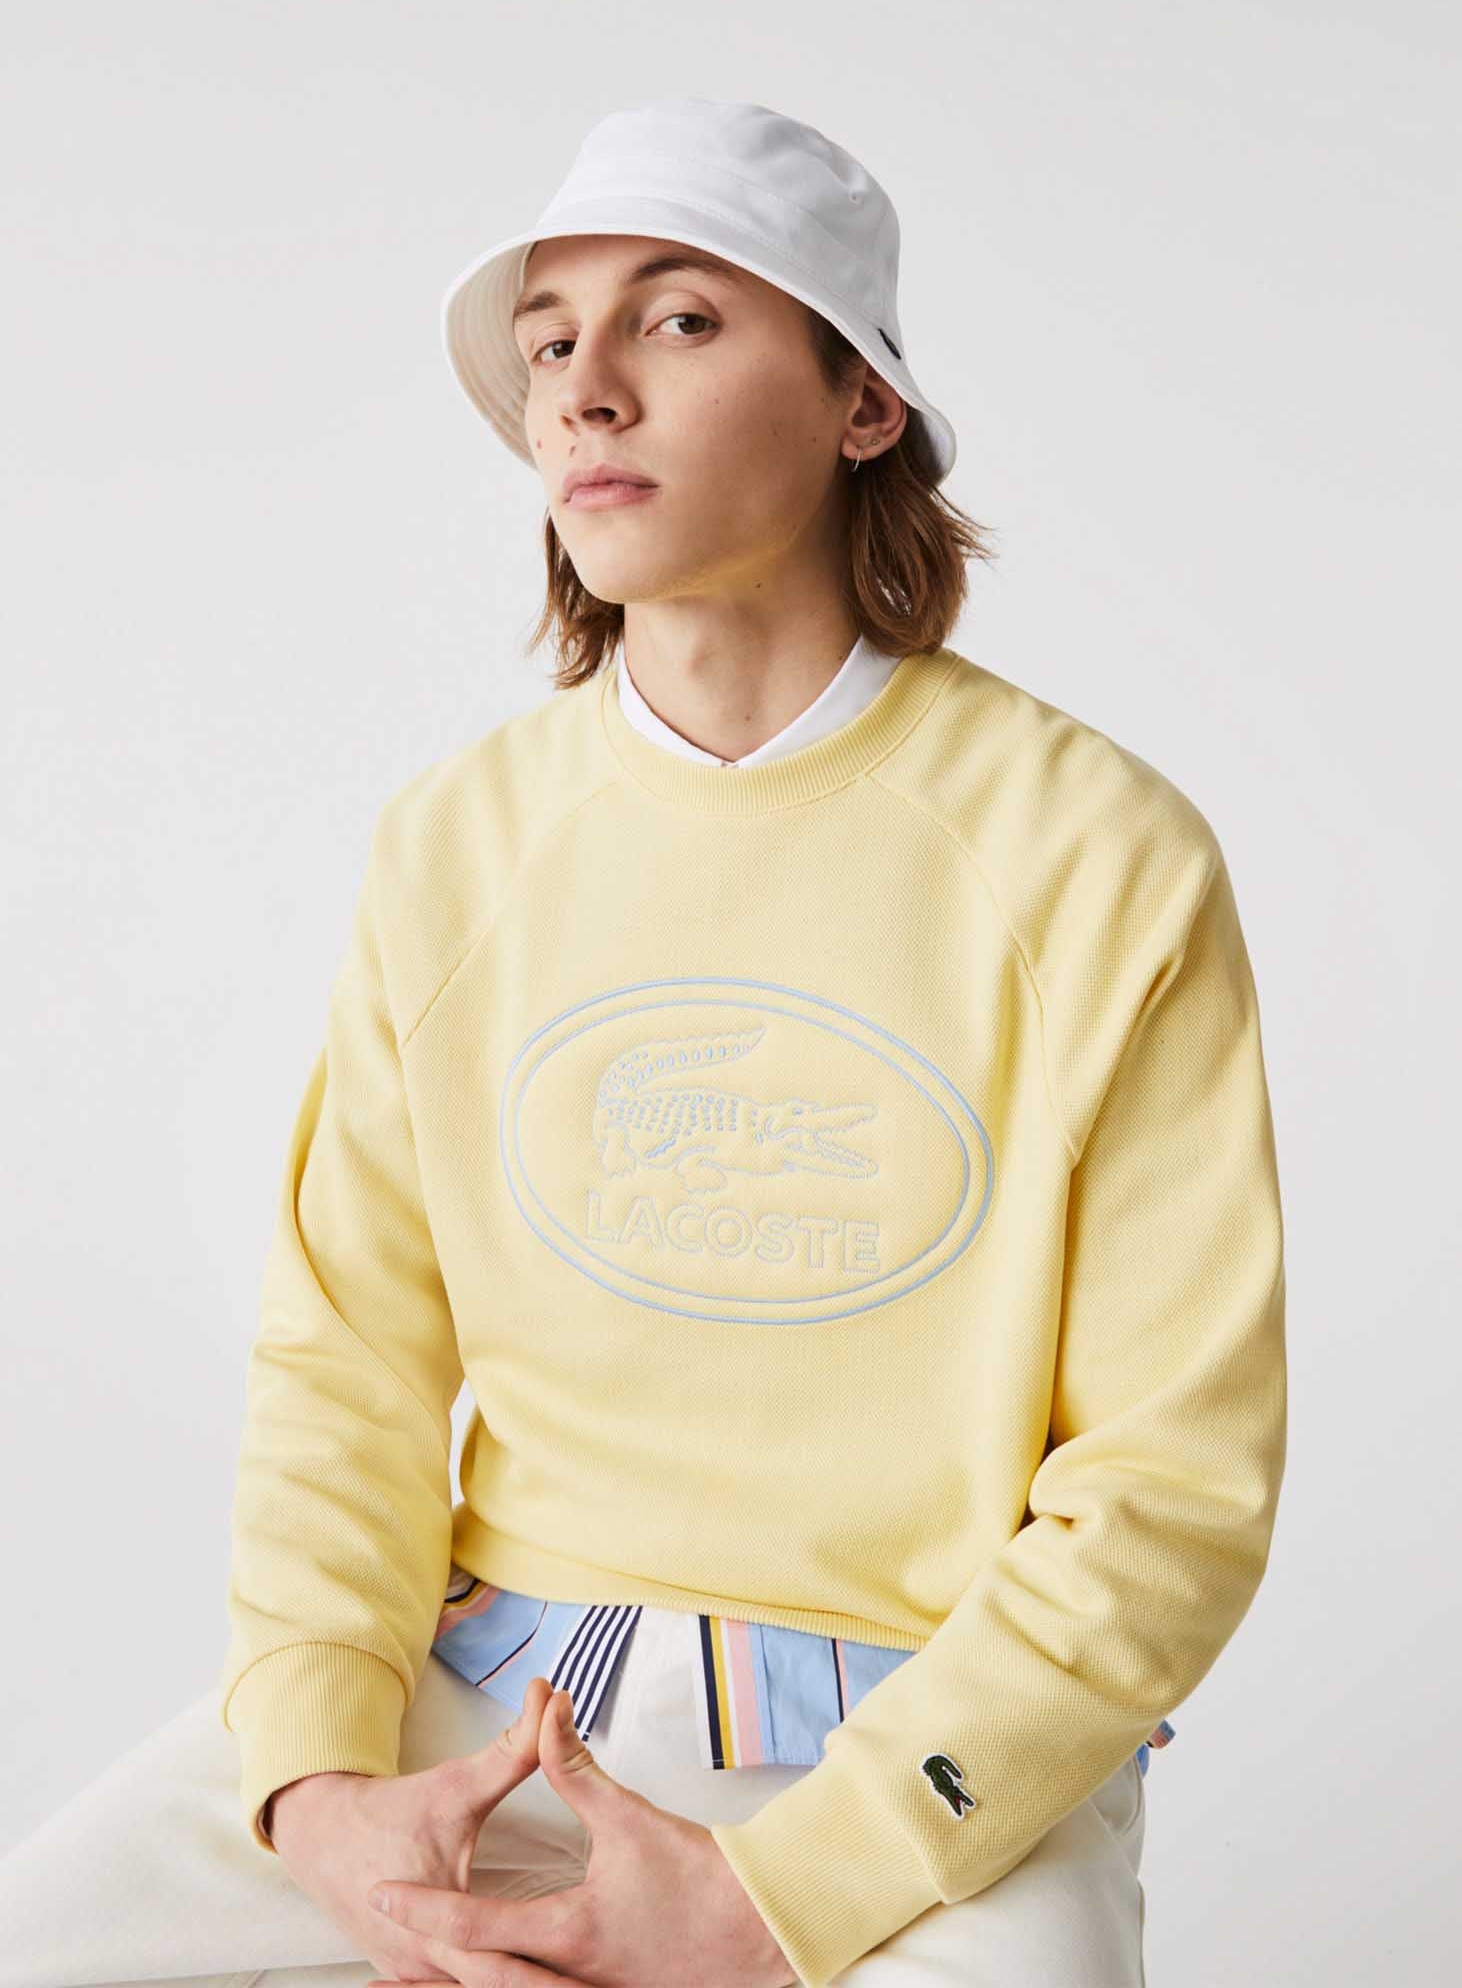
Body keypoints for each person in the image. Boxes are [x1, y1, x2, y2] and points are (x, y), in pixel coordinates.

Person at [0, 96, 1285, 1988]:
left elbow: (1171, 1488)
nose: (583, 391)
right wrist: (321, 1778)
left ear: (863, 404)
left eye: (678, 320)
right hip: (487, 1705)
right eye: (547, 345)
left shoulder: (1099, 856)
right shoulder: (455, 843)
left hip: (917, 1756)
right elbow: (348, 1364)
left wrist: (786, 1894)